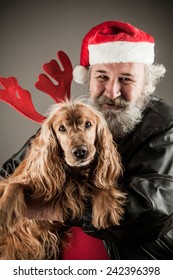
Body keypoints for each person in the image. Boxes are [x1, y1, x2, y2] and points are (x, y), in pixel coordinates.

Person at [0, 20, 173, 260]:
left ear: (146, 83)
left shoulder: (166, 125)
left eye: (126, 79)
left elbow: (153, 210)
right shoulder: (70, 117)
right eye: (102, 76)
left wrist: (54, 208)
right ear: (89, 79)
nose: (112, 92)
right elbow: (9, 173)